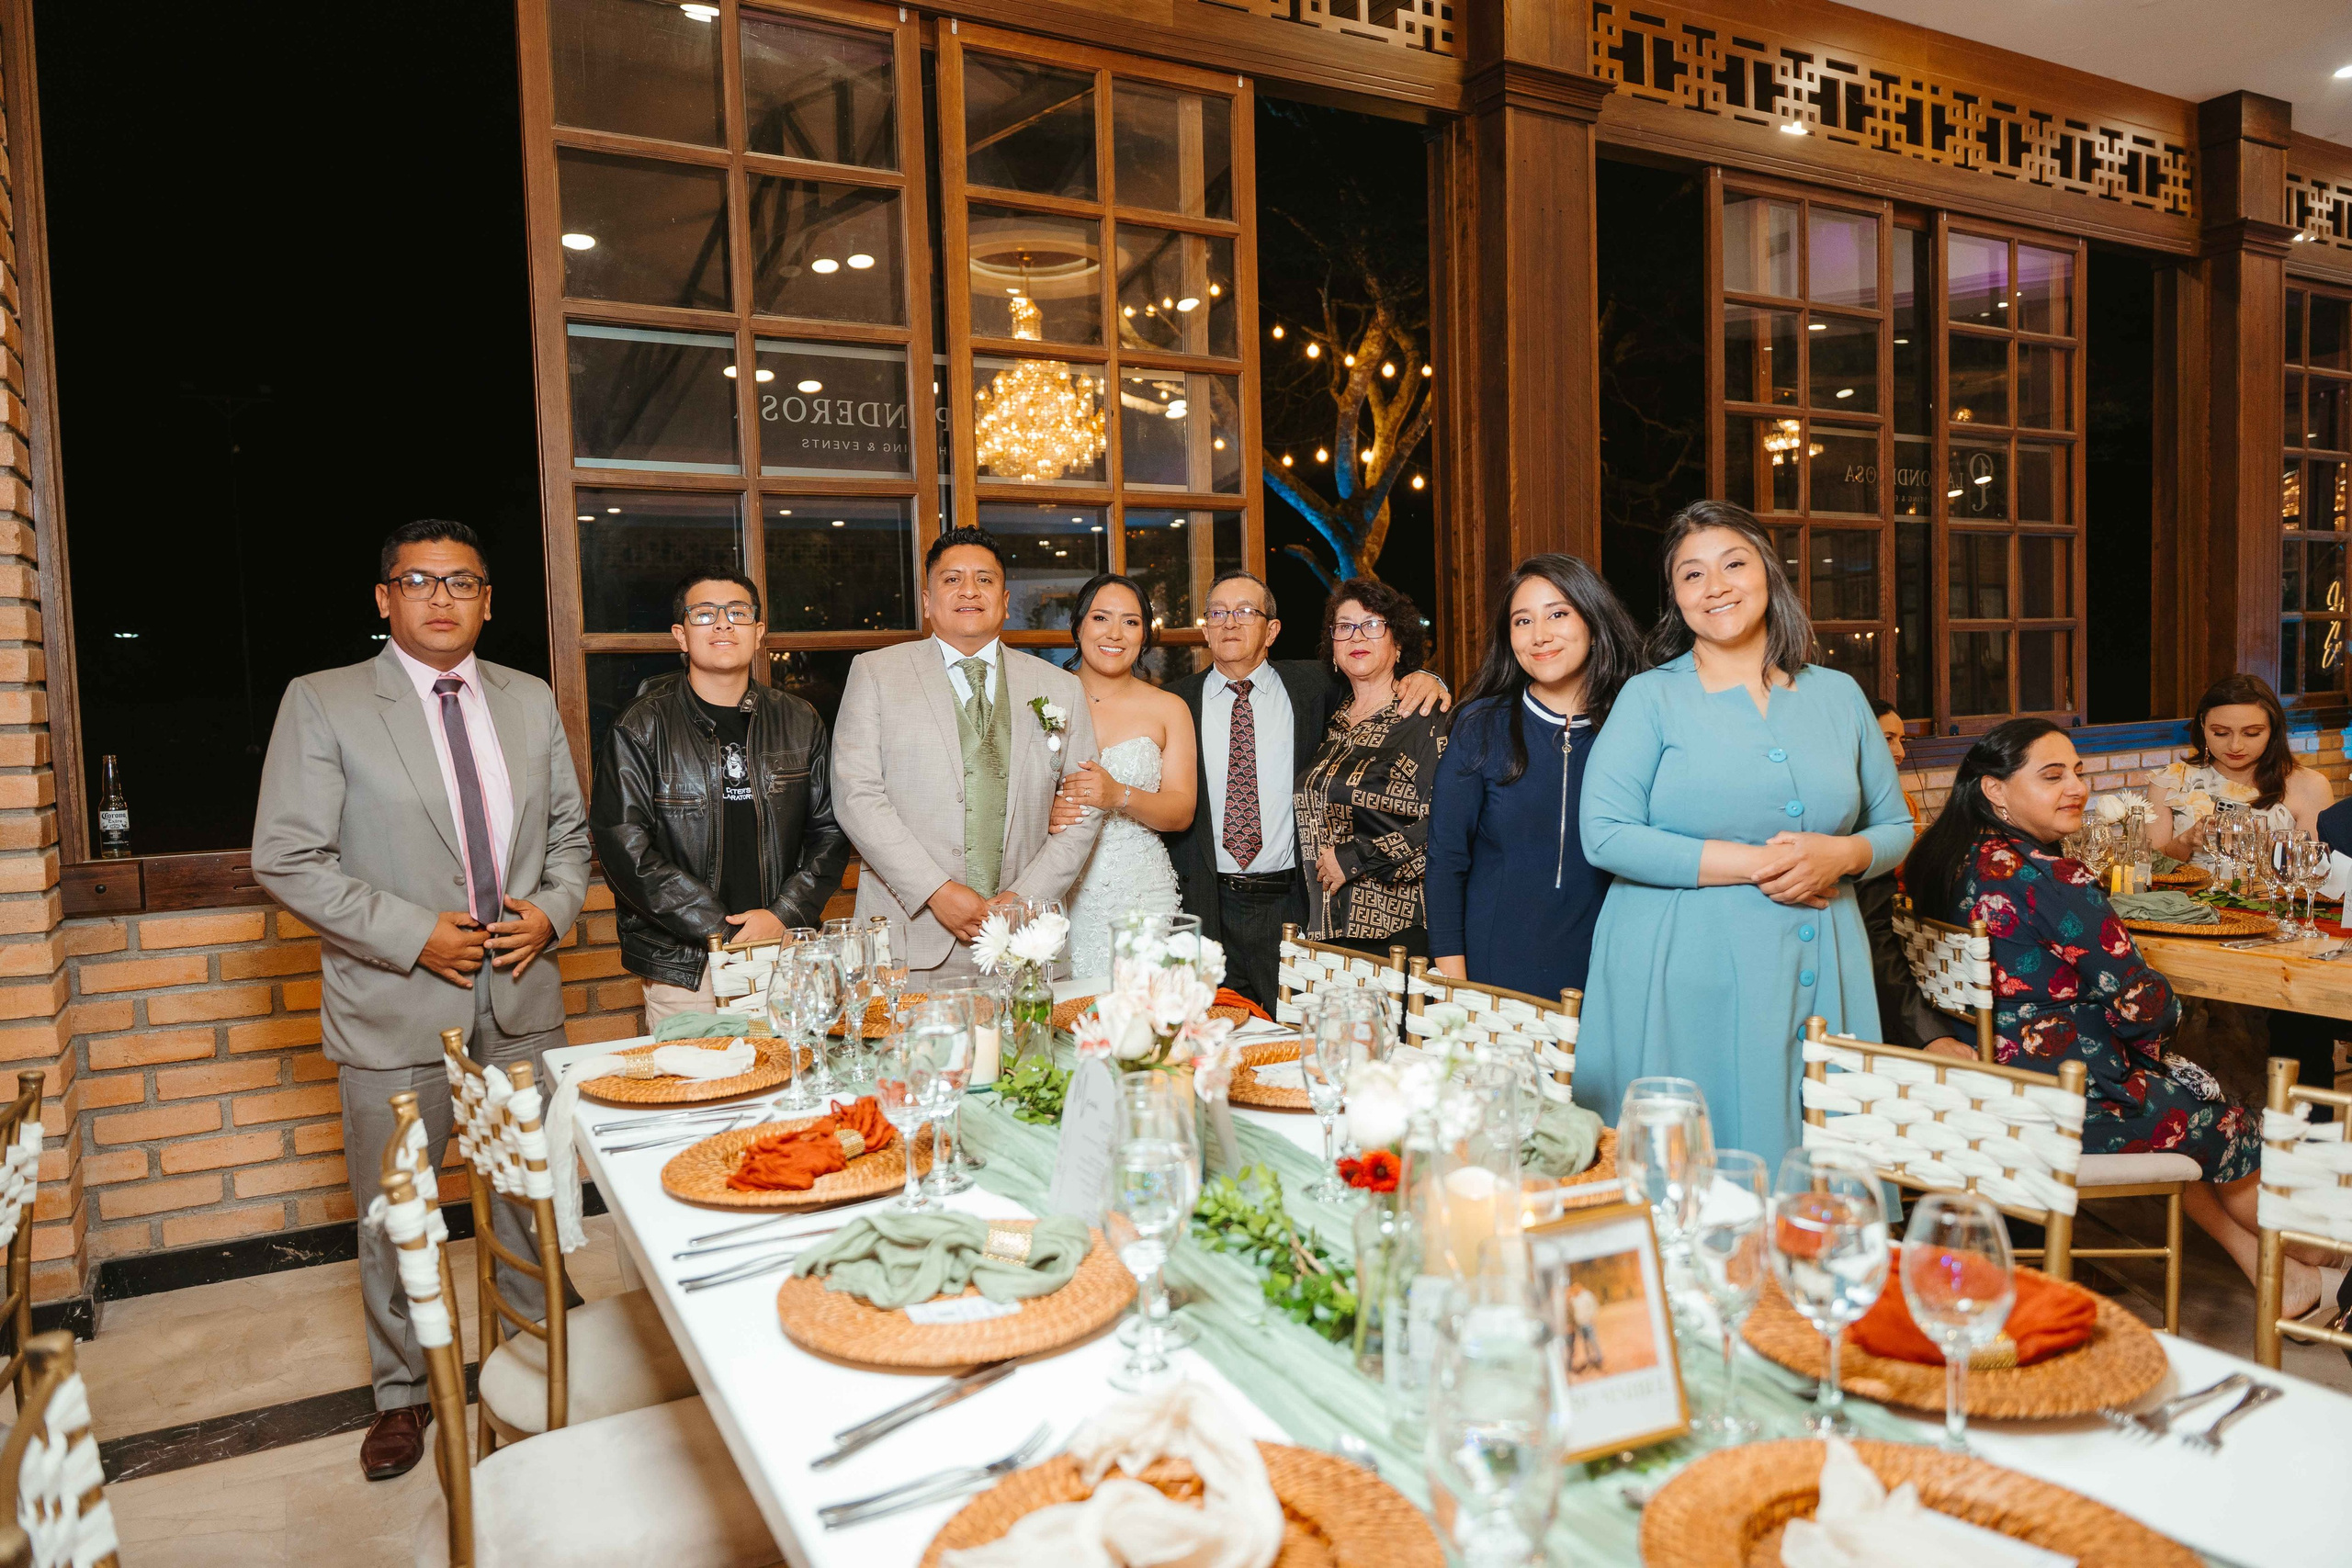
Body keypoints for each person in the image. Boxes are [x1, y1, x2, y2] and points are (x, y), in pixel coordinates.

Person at [252, 520, 591, 1481]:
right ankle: (403, 1392)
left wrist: (554, 912)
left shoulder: (528, 702)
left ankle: (543, 1355)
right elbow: (286, 855)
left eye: (463, 583)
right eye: (419, 581)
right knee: (396, 1209)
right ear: (383, 597)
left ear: (489, 600)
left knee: (530, 1191)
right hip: (395, 1001)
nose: (441, 599)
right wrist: (414, 934)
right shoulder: (323, 704)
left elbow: (570, 836)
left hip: (523, 995)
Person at [1905, 717, 2344, 1313]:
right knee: (2223, 1120)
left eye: (2079, 773)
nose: (2077, 787)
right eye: (2052, 775)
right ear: (1996, 789)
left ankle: (2282, 1280)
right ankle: (2320, 1251)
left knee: (2180, 1103)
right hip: (2068, 1100)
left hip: (1995, 1090)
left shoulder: (1948, 859)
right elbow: (2145, 1003)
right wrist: (2171, 1024)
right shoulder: (2054, 877)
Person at [1578, 501, 1914, 1168]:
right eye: (1692, 575)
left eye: (1733, 563)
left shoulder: (1840, 694)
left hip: (1823, 968)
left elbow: (1897, 826)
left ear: (1769, 571)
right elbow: (1605, 834)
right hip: (1684, 969)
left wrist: (1843, 854)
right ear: (1676, 599)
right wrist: (1760, 864)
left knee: (1812, 1173)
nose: (1717, 585)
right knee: (1698, 1169)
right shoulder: (1651, 698)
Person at [1125, 570, 1447, 1010]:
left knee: (1300, 1037)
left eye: (1244, 612)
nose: (1230, 623)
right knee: (1217, 1042)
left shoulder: (1316, 688)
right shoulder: (1176, 702)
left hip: (1299, 908)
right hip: (1208, 903)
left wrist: (1429, 677)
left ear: (1272, 629)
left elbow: (1379, 679)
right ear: (1205, 627)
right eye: (1217, 613)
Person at [831, 525, 1102, 982]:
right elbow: (856, 797)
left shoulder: (1059, 686)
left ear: (1006, 599)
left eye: (984, 579)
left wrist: (1025, 899)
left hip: (1024, 939)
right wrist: (936, 891)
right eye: (952, 579)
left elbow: (1084, 807)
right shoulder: (876, 673)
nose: (969, 591)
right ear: (927, 601)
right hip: (909, 939)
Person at [591, 570, 850, 1026]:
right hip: (688, 968)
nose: (723, 625)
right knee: (697, 1093)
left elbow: (829, 831)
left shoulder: (799, 719)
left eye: (738, 613)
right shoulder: (641, 725)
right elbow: (623, 844)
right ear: (681, 635)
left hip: (785, 951)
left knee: (796, 1085)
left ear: (759, 632)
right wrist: (720, 928)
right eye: (705, 614)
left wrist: (782, 915)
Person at [1427, 553, 1644, 1000]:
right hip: (1494, 973)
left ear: (1593, 620)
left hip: (1613, 968)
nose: (1540, 636)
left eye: (1558, 614)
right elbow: (1446, 861)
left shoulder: (1638, 725)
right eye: (1522, 621)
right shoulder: (1481, 725)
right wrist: (1455, 989)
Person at [2145, 674, 2338, 1120]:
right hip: (2189, 923)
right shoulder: (2173, 780)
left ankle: (2299, 1136)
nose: (2236, 745)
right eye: (2220, 732)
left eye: (2252, 733)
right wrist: (2186, 841)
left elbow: (2321, 872)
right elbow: (2151, 864)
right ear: (2201, 727)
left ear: (2273, 731)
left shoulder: (2305, 783)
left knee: (2297, 1015)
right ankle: (2199, 1121)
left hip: (2276, 927)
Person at [1296, 577, 1453, 959]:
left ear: (1398, 643)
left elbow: (1449, 824)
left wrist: (1354, 859)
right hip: (1324, 929)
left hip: (1396, 933)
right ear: (1332, 649)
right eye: (1344, 627)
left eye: (1372, 625)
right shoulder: (1331, 721)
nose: (1356, 637)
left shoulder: (1425, 717)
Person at [1050, 573, 1197, 977]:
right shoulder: (1044, 697)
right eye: (1101, 618)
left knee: (1141, 1022)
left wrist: (1119, 795)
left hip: (1139, 890)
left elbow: (1181, 811)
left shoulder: (1169, 708)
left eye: (1131, 622)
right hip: (1055, 888)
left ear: (1144, 636)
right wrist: (1043, 815)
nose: (1115, 633)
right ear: (1078, 627)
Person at [1855, 696, 1973, 1059]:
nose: (1899, 752)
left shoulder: (1897, 802)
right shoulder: (1856, 813)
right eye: (1887, 738)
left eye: (1902, 740)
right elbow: (1874, 922)